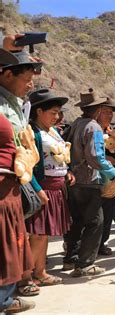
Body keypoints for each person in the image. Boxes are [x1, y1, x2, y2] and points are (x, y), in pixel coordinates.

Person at [63, 88, 115, 277]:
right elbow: (96, 157)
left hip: (73, 181)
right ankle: (85, 263)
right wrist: (113, 173)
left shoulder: (75, 124)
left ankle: (70, 257)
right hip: (89, 181)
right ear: (97, 109)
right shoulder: (94, 127)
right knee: (96, 222)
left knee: (76, 221)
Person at [0, 48, 37, 313]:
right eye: (26, 78)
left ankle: (6, 296)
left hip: (13, 182)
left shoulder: (15, 103)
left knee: (11, 242)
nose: (31, 84)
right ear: (7, 74)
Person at [25, 89, 74, 287]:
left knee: (44, 234)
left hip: (57, 188)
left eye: (58, 113)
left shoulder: (52, 132)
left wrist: (67, 171)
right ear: (38, 112)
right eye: (52, 112)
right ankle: (24, 277)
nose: (57, 116)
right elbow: (27, 163)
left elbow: (60, 156)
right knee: (36, 234)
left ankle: (40, 272)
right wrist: (37, 189)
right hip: (43, 189)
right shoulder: (31, 133)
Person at [96, 99, 115, 256]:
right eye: (106, 112)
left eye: (111, 112)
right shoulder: (92, 130)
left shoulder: (114, 133)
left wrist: (114, 159)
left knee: (108, 212)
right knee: (93, 215)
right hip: (95, 179)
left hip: (111, 181)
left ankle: (102, 244)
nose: (109, 115)